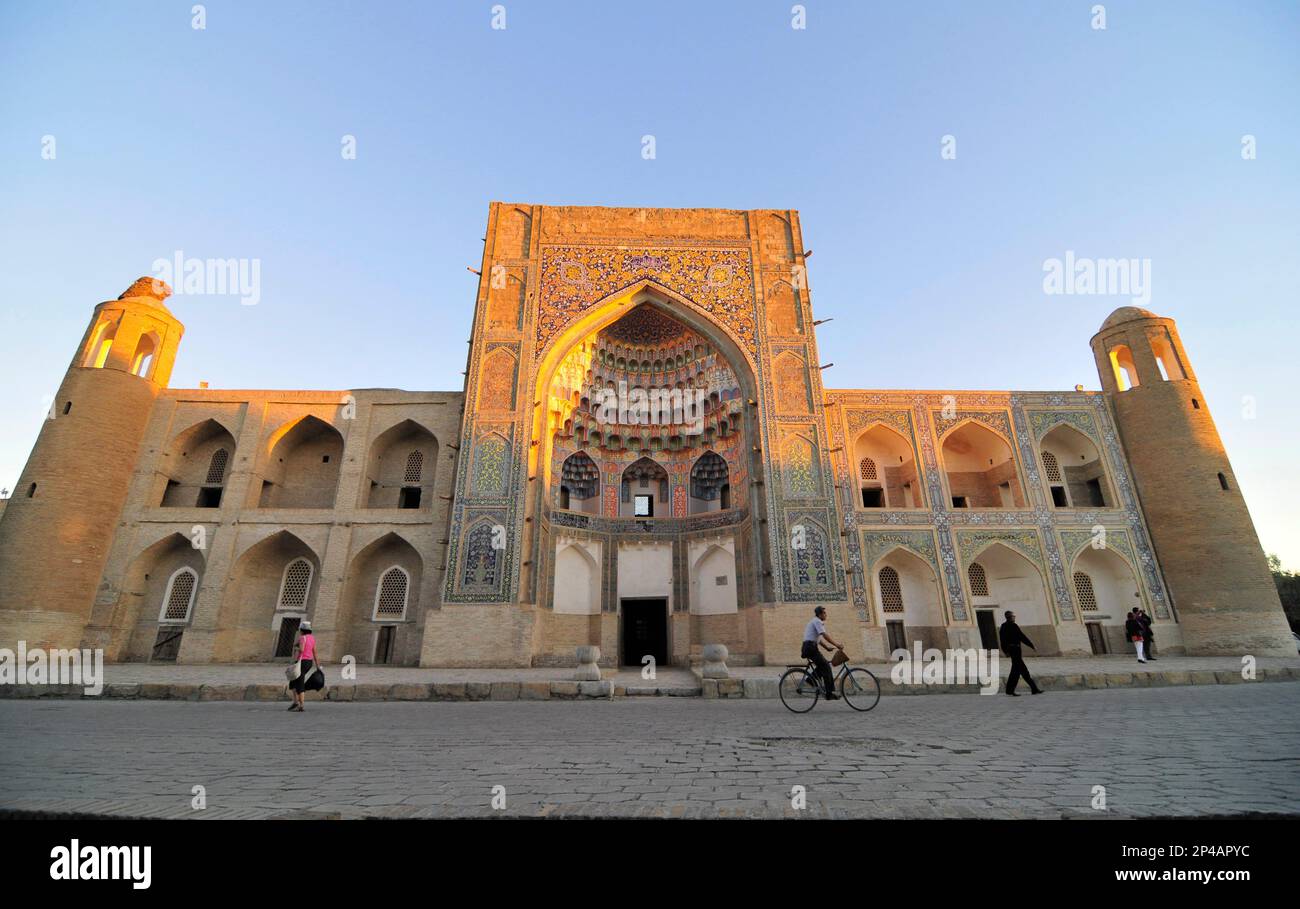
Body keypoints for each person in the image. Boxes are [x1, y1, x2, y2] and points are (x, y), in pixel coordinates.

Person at [801, 606, 844, 700]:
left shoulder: (815, 621)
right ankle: (829, 694)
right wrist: (837, 644)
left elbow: (819, 640)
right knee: (826, 667)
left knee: (822, 665)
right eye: (824, 613)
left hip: (810, 647)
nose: (826, 615)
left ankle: (811, 679)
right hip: (810, 648)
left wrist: (827, 648)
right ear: (820, 614)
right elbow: (824, 635)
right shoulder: (817, 621)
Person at [998, 610, 1041, 696]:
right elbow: (1003, 640)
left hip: (1017, 650)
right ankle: (1012, 690)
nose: (1014, 617)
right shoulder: (1004, 627)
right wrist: (1006, 651)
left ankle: (1033, 689)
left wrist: (1031, 645)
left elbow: (1021, 637)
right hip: (1013, 651)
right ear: (1009, 617)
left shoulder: (1014, 626)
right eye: (1013, 616)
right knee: (1018, 671)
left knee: (1020, 670)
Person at [288, 621, 318, 712]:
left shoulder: (302, 638)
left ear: (302, 630)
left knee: (300, 682)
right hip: (309, 662)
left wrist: (296, 647)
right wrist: (317, 665)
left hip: (301, 662)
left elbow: (301, 649)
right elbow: (315, 652)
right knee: (293, 681)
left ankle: (301, 705)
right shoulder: (312, 638)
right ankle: (295, 702)